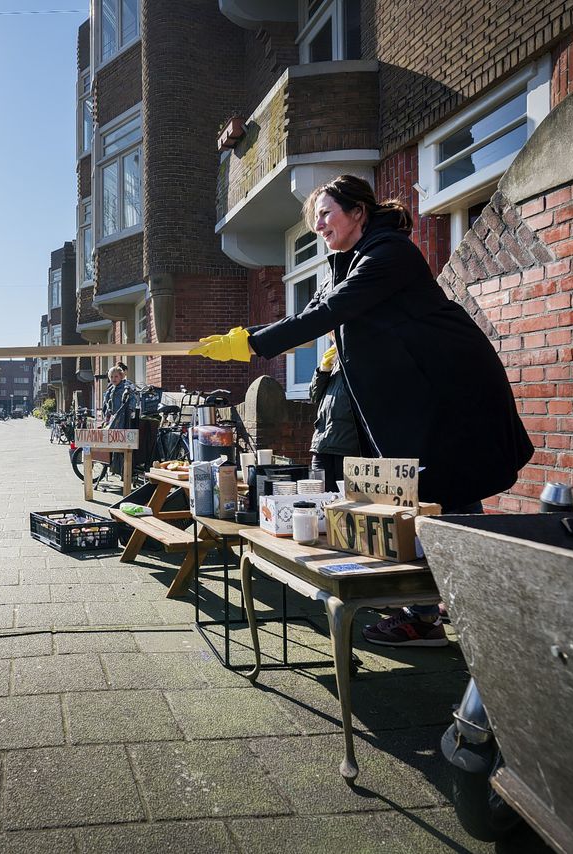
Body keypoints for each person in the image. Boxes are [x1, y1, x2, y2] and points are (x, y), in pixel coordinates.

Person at [190, 174, 533, 647]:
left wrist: (250, 344)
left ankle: (473, 614)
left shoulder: (389, 253)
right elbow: (309, 314)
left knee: (447, 489)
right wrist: (244, 337)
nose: (319, 226)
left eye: (326, 214)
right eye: (315, 220)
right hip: (412, 397)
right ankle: (446, 611)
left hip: (451, 388)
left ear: (358, 212)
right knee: (428, 492)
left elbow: (327, 314)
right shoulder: (342, 264)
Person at [308, 336, 361, 492]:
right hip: (321, 444)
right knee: (317, 495)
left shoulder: (357, 359)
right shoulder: (334, 362)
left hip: (346, 445)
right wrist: (322, 371)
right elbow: (313, 396)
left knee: (344, 499)